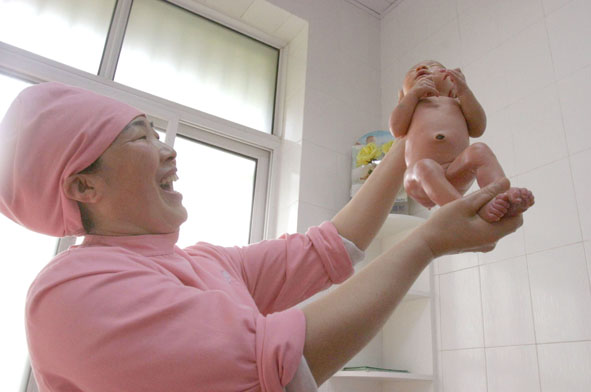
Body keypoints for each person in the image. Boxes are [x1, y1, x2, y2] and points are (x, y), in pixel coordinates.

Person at [0, 82, 523, 392]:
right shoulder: (70, 292)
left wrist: (408, 145)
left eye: (158, 134)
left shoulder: (202, 264)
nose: (168, 151)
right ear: (83, 185)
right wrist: (428, 241)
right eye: (140, 137)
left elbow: (330, 247)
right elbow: (272, 362)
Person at [390, 60, 535, 222]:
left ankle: (502, 198)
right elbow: (396, 129)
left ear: (452, 86)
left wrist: (464, 91)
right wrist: (411, 96)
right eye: (413, 72)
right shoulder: (412, 107)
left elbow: (478, 128)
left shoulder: (457, 103)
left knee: (480, 150)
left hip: (455, 172)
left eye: (434, 68)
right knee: (425, 166)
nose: (422, 68)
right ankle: (466, 215)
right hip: (418, 177)